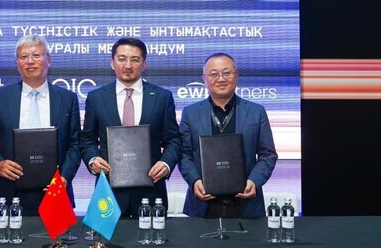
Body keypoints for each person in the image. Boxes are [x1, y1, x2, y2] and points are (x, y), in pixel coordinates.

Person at [0, 35, 81, 216]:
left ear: (48, 59)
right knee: (8, 234)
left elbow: (75, 144)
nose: (30, 61)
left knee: (56, 235)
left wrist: (64, 177)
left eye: (36, 55)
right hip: (8, 189)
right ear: (17, 63)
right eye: (24, 57)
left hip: (55, 190)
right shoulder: (1, 97)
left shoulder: (67, 98)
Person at [80, 37, 181, 217]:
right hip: (108, 191)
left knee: (152, 235)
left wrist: (166, 163)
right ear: (112, 63)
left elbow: (173, 140)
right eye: (122, 59)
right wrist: (92, 159)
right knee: (107, 235)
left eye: (135, 60)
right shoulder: (96, 98)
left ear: (144, 64)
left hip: (151, 190)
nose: (128, 65)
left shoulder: (162, 97)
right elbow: (87, 139)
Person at [179, 52, 278, 218]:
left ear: (236, 76)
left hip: (246, 204)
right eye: (214, 74)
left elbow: (268, 154)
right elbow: (184, 154)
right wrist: (194, 181)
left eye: (226, 73)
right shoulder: (190, 113)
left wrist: (254, 181)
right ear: (204, 79)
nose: (221, 79)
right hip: (203, 205)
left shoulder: (256, 112)